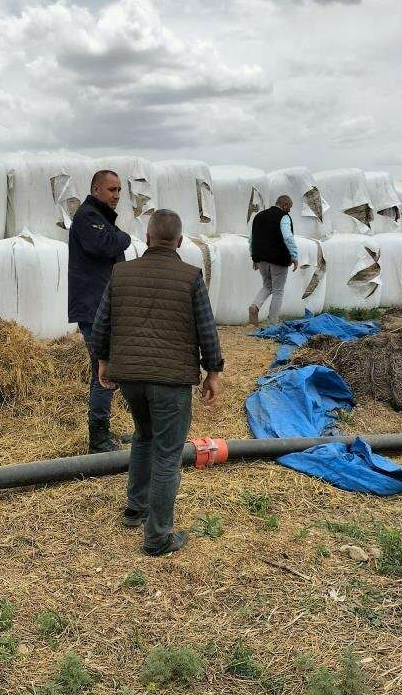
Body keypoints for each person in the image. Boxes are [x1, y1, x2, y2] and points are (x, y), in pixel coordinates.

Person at [90, 208, 223, 557]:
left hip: (130, 376)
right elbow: (207, 329)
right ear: (179, 241)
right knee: (167, 453)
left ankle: (136, 508)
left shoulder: (121, 273)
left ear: (147, 238)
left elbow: (102, 323)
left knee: (143, 436)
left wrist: (104, 362)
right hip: (171, 379)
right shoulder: (191, 277)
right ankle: (158, 537)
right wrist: (213, 372)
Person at [68, 169, 132, 453]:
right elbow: (105, 244)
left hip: (104, 306)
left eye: (119, 190)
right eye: (111, 190)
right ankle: (98, 438)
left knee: (108, 370)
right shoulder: (87, 218)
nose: (117, 196)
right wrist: (124, 238)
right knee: (103, 373)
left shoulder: (100, 218)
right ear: (96, 190)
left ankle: (104, 431)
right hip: (94, 309)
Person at [247, 194, 299, 326]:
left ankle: (255, 306)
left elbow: (252, 239)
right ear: (284, 204)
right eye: (290, 207)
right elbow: (287, 237)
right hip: (278, 259)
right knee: (278, 290)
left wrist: (254, 257)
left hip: (261, 259)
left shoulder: (258, 216)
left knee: (267, 285)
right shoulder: (284, 217)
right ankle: (273, 323)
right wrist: (294, 255)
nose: (290, 210)